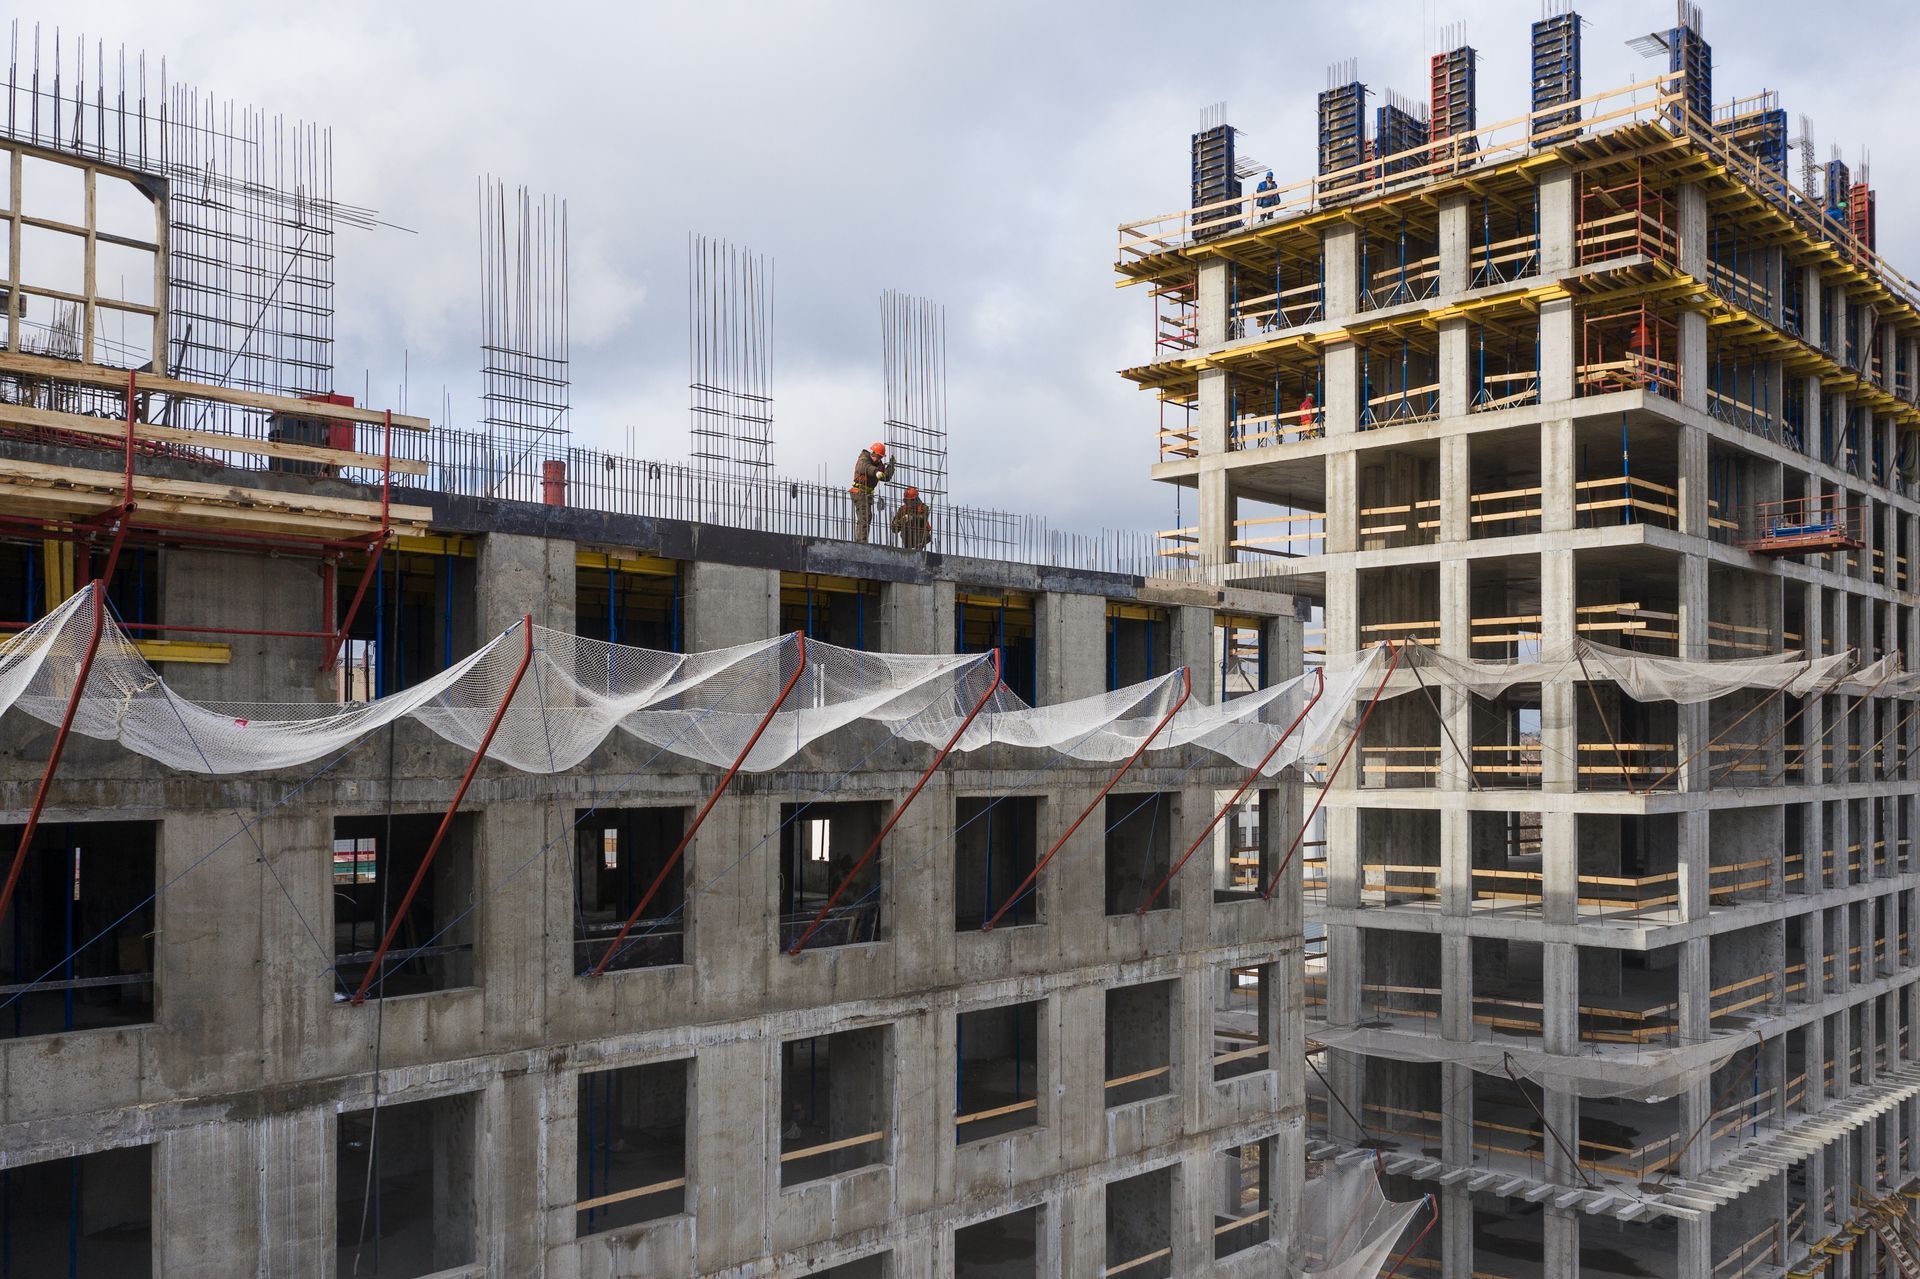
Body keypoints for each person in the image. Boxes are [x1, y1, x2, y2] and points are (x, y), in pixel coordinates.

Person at [849, 441, 894, 543]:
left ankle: (861, 540)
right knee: (864, 516)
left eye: (880, 457)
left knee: (866, 517)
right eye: (877, 456)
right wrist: (876, 472)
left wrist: (891, 466)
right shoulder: (864, 458)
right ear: (873, 453)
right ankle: (862, 542)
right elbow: (864, 467)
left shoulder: (879, 464)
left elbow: (885, 477)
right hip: (859, 492)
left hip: (867, 494)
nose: (878, 459)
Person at [892, 485, 933, 551]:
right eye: (906, 501)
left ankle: (919, 546)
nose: (908, 503)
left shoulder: (923, 507)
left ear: (916, 499)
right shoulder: (902, 509)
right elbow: (894, 529)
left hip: (921, 537)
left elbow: (923, 519)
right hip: (908, 538)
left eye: (910, 501)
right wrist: (900, 522)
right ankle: (908, 548)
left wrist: (911, 517)